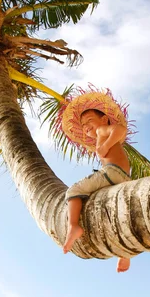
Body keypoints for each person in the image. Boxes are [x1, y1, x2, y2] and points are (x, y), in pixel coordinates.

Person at [57, 88, 133, 273]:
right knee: (116, 212)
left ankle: (73, 226)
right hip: (122, 177)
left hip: (112, 172)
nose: (86, 126)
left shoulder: (102, 131)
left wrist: (105, 144)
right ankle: (125, 252)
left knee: (73, 191)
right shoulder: (100, 135)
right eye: (83, 125)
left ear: (104, 119)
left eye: (89, 120)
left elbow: (120, 129)